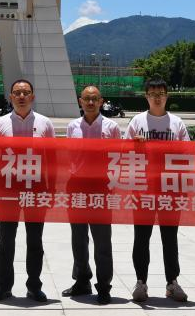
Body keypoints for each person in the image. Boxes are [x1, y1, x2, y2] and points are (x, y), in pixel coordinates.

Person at [0, 79, 55, 303]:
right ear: (10, 97)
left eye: (26, 93)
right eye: (17, 93)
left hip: (36, 188)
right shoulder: (0, 125)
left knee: (35, 241)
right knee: (6, 241)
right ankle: (3, 286)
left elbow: (52, 160)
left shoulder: (45, 124)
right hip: (8, 189)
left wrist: (51, 190)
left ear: (33, 97)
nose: (21, 97)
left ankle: (34, 286)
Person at [124, 77, 190, 303]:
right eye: (152, 94)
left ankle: (172, 282)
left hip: (170, 188)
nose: (157, 98)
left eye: (161, 93)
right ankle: (140, 282)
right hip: (143, 188)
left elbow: (187, 153)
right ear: (146, 96)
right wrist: (135, 145)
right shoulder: (137, 121)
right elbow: (124, 151)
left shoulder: (177, 123)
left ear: (167, 95)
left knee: (170, 238)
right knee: (141, 237)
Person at [63, 85, 121, 304]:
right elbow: (68, 156)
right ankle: (82, 280)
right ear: (80, 101)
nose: (90, 102)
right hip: (76, 184)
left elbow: (118, 156)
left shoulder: (112, 127)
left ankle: (104, 285)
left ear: (101, 101)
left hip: (101, 186)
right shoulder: (72, 126)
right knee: (78, 237)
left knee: (102, 239)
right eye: (86, 99)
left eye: (94, 99)